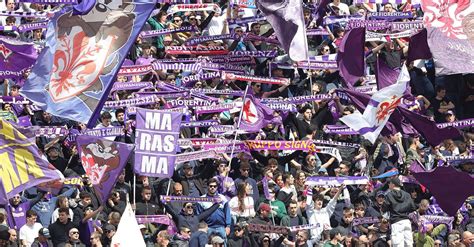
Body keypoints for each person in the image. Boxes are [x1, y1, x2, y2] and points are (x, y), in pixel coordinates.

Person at [384, 177, 416, 247]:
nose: (389, 185)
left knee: (398, 245)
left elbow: (384, 208)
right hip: (406, 222)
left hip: (396, 222)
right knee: (409, 244)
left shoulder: (389, 195)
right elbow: (413, 207)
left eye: (389, 183)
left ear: (393, 184)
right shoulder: (407, 194)